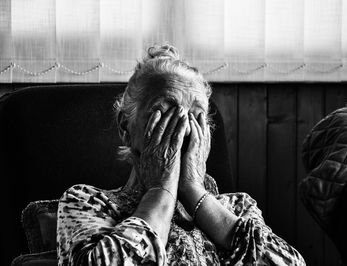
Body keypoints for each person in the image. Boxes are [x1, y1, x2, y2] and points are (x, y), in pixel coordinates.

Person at [57, 44, 305, 266]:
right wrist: (161, 190)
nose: (184, 128)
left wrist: (194, 192)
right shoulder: (88, 203)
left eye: (196, 116)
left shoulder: (238, 207)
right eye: (165, 113)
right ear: (125, 127)